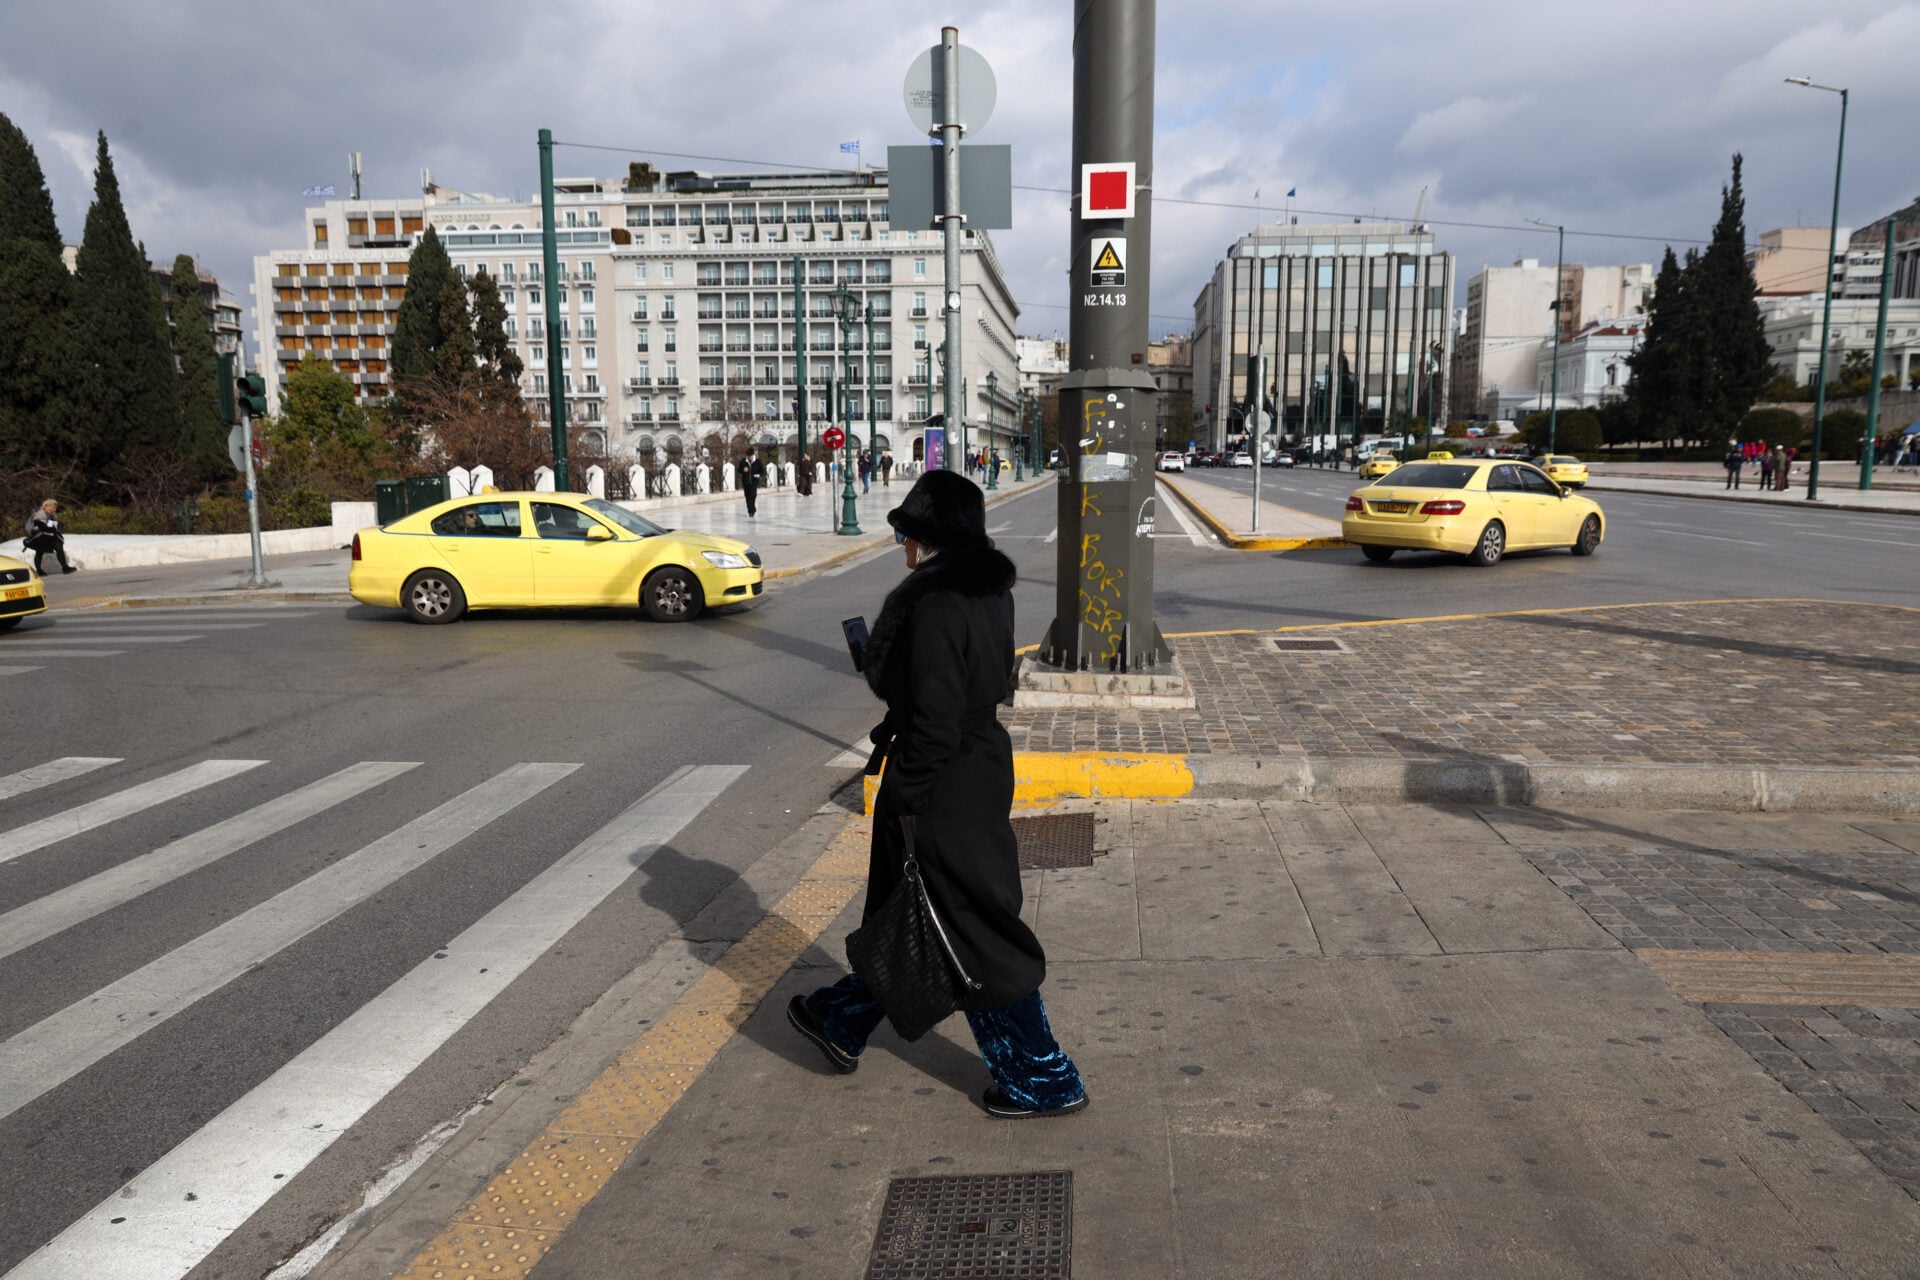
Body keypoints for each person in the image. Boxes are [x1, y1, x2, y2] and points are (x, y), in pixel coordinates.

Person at [788, 470, 1088, 1120]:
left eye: (905, 532)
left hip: (941, 784)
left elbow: (934, 720)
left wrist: (901, 792)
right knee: (918, 909)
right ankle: (839, 1018)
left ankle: (1044, 1079)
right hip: (978, 766)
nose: (902, 544)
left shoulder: (933, 604)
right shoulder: (989, 593)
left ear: (926, 537)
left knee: (969, 926)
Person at [24, 499, 76, 574]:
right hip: (40, 536)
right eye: (52, 507)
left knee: (58, 548)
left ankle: (65, 567)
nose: (54, 509)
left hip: (48, 536)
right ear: (46, 506)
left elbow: (51, 526)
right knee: (40, 552)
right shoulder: (40, 514)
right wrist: (52, 528)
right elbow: (41, 526)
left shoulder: (50, 514)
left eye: (55, 507)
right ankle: (39, 570)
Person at [740, 447, 764, 517]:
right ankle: (751, 510)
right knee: (747, 496)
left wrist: (759, 475)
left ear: (753, 455)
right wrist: (743, 470)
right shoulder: (743, 461)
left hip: (754, 482)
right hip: (746, 482)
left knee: (753, 496)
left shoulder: (757, 462)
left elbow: (762, 471)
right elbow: (739, 470)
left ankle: (752, 510)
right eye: (748, 456)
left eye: (751, 456)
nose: (750, 457)